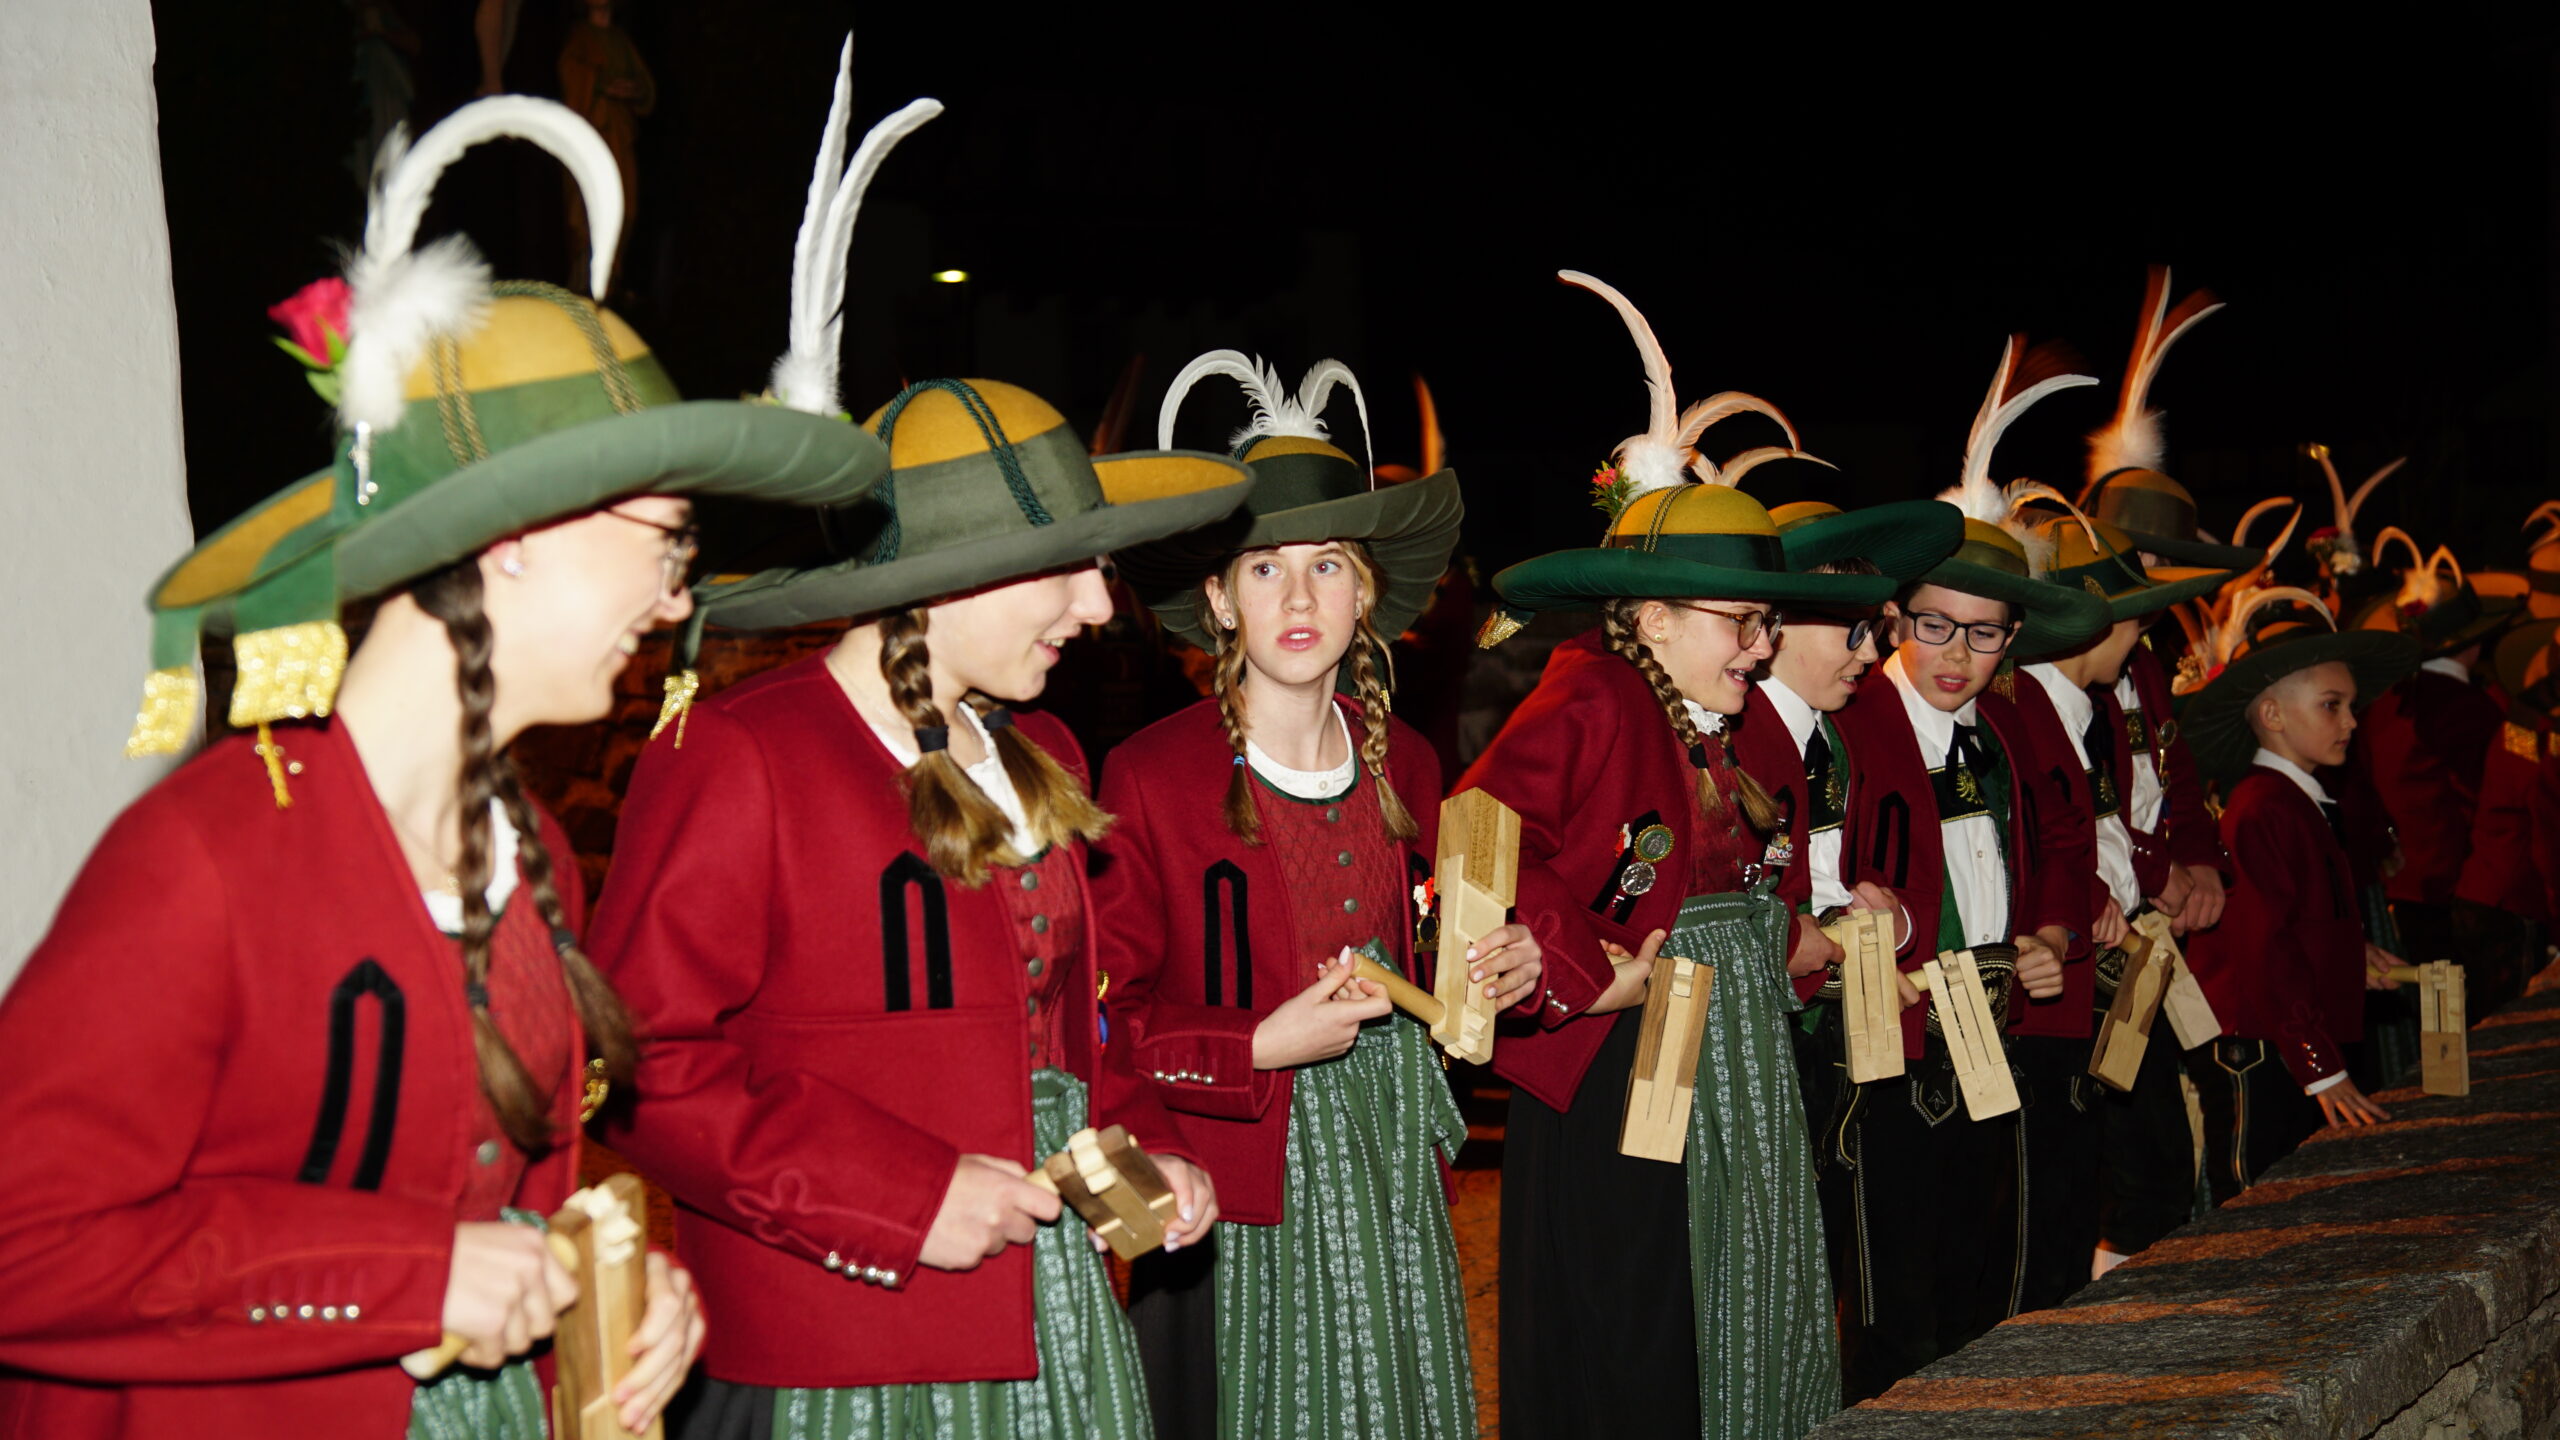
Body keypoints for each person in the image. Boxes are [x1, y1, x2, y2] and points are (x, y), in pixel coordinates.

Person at [0, 95, 877, 1437]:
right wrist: (409, 1277)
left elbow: (509, 1206)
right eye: (669, 543)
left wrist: (621, 1288)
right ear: (514, 536)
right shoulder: (205, 857)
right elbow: (25, 1246)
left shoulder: (529, 852)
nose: (675, 601)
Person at [589, 369, 1249, 1440]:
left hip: (1057, 1324)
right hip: (844, 1351)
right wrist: (902, 1198)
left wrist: (1145, 1150)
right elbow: (639, 1065)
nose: (1098, 606)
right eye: (1069, 567)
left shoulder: (1045, 750)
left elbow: (1068, 1037)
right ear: (953, 575)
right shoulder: (743, 753)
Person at [1465, 272, 1887, 1439]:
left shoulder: (1723, 728)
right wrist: (1582, 969)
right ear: (1651, 616)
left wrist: (1808, 941)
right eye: (1737, 621)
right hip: (1622, 1065)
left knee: (1735, 1292)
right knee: (1643, 1308)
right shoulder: (1594, 692)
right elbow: (1480, 831)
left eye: (1765, 622)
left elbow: (1730, 890)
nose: (1759, 645)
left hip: (1733, 1061)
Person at [1099, 352, 1524, 1440]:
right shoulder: (1149, 778)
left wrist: (1490, 971)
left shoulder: (1410, 764)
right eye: (1263, 569)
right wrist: (1255, 1043)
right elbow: (1101, 1024)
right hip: (1233, 1175)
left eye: (1327, 566)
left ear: (1365, 591)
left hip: (1389, 1162)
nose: (1298, 598)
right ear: (1216, 599)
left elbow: (1431, 961)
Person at [1814, 336, 2107, 1401]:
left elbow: (2065, 843)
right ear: (1897, 617)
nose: (1954, 655)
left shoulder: (2015, 723)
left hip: (1994, 1028)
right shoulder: (1853, 717)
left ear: (2014, 639)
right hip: (1887, 1041)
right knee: (1891, 1296)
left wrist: (2053, 936)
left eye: (1984, 636)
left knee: (1980, 1270)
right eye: (1934, 624)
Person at [2004, 515, 2231, 1311]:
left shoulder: (2085, 703)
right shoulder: (2033, 703)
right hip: (2075, 965)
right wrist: (2098, 895)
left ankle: (2119, 1316)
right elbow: (2047, 835)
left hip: (2115, 948)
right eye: (2133, 619)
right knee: (2104, 1176)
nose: (2142, 636)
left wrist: (2150, 874)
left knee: (2144, 1164)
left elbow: (2141, 795)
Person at [1725, 498, 1964, 1144]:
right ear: (1779, 626)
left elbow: (1880, 858)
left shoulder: (1837, 730)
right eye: (1853, 632)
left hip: (1833, 1022)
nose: (1872, 653)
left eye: (1876, 629)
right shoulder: (1739, 735)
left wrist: (1889, 918)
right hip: (1766, 1029)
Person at [2177, 590, 2420, 1199]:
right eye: (2332, 705)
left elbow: (2297, 920)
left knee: (2295, 1189)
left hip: (2279, 1035)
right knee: (2256, 1197)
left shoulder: (2295, 801)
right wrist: (2320, 1063)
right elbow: (2263, 947)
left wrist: (2349, 956)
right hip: (2256, 1043)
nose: (2352, 722)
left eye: (2352, 706)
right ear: (2273, 715)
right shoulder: (2262, 808)